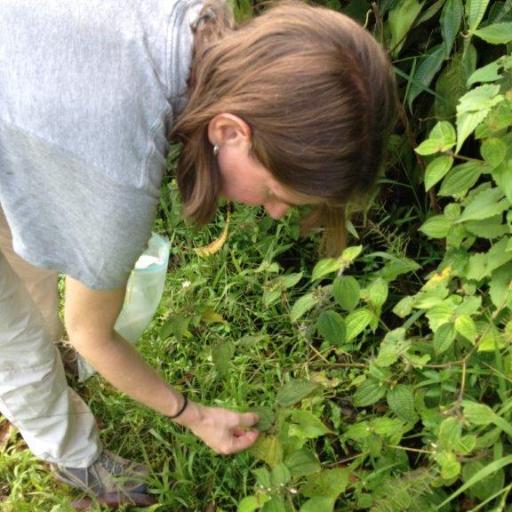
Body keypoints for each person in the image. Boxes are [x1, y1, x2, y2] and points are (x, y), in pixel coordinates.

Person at [0, 0, 397, 506]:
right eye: (277, 193)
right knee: (15, 344)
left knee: (27, 259)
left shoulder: (195, 18)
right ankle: (73, 457)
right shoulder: (116, 178)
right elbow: (92, 334)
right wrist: (195, 414)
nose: (274, 213)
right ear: (230, 131)